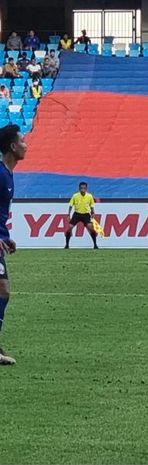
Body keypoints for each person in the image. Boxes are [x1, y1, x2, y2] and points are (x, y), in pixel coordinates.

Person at [0, 124, 27, 365]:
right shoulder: (0, 173)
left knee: (2, 291)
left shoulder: (8, 174)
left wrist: (5, 237)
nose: (25, 144)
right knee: (3, 290)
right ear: (12, 146)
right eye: (22, 140)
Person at [64, 182, 99, 249]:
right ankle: (67, 245)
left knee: (91, 228)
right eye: (81, 188)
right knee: (69, 227)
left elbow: (91, 206)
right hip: (77, 214)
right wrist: (68, 214)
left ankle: (95, 245)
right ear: (79, 188)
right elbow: (71, 205)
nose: (83, 189)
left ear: (86, 189)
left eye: (84, 188)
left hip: (86, 214)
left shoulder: (89, 196)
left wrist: (93, 213)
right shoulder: (75, 196)